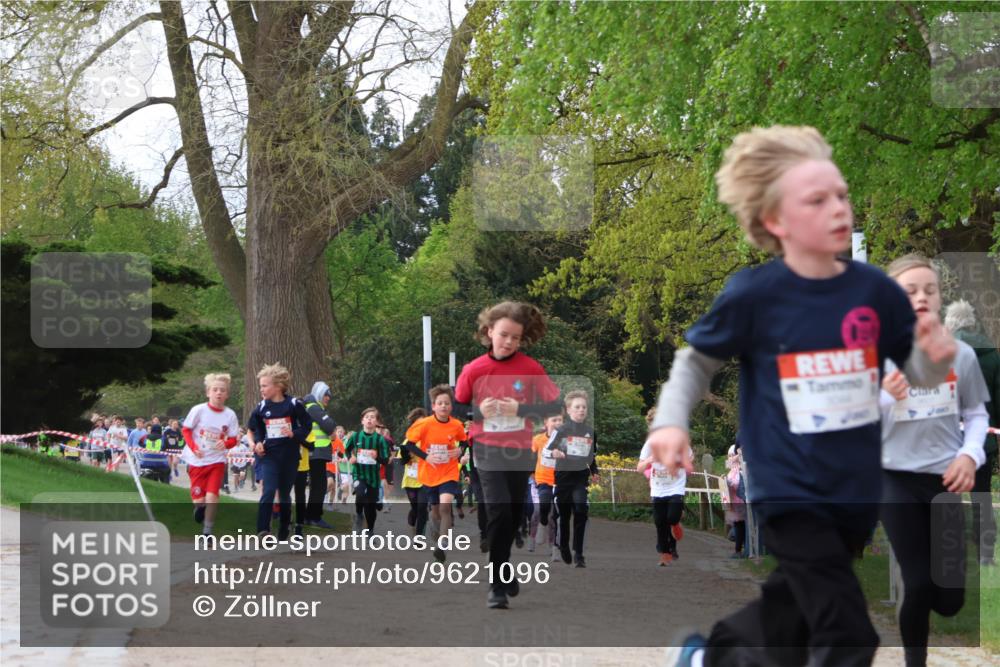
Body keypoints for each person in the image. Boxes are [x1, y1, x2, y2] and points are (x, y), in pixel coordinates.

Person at [649, 126, 957, 667]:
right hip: (790, 489)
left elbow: (909, 365)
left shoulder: (875, 292)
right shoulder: (756, 294)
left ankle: (706, 658)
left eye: (841, 194)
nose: (838, 207)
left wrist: (929, 354)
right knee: (848, 636)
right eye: (817, 200)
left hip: (856, 490)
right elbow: (695, 363)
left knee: (793, 606)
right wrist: (671, 423)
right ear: (776, 221)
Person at [879, 255, 989, 667]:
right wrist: (887, 393)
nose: (921, 297)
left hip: (944, 479)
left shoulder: (961, 356)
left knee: (949, 599)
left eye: (930, 289)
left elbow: (977, 417)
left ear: (941, 297)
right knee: (919, 581)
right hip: (893, 478)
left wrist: (968, 454)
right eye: (909, 291)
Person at [454, 301, 563, 609]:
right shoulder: (474, 370)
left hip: (519, 450)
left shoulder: (531, 369)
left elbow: (554, 407)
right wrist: (477, 411)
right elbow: (458, 405)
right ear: (489, 332)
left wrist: (522, 409)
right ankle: (497, 584)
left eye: (515, 337)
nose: (509, 342)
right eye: (503, 335)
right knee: (500, 511)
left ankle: (504, 569)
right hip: (487, 448)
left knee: (514, 516)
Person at [945, 299, 999, 566]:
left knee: (948, 496)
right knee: (982, 497)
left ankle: (951, 552)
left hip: (949, 438)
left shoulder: (944, 351)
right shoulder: (992, 354)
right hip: (985, 438)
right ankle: (986, 554)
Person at [246, 363, 312, 540]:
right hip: (270, 456)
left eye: (265, 385)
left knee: (283, 495)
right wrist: (258, 442)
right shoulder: (261, 407)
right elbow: (255, 428)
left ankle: (284, 528)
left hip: (290, 457)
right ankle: (262, 531)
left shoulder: (293, 404)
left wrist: (294, 433)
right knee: (268, 491)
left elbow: (307, 426)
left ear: (278, 386)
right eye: (260, 386)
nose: (261, 389)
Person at [405, 385, 468, 562]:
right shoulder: (424, 424)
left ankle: (442, 545)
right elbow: (409, 445)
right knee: (435, 511)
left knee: (445, 506)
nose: (443, 406)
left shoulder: (456, 425)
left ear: (451, 406)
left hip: (448, 472)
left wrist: (459, 451)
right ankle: (435, 527)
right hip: (430, 474)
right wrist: (426, 456)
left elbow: (464, 442)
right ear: (433, 406)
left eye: (447, 403)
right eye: (440, 403)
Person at [181, 373, 240, 535]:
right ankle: (200, 509)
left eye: (222, 390)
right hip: (197, 460)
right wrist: (194, 447)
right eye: (215, 390)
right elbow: (186, 430)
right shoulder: (198, 410)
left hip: (217, 461)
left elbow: (234, 439)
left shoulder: (230, 415)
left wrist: (226, 443)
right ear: (208, 392)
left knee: (212, 497)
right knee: (199, 501)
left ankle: (207, 532)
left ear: (227, 394)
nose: (218, 393)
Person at [546, 390, 600, 568]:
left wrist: (594, 471)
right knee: (564, 515)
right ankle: (563, 546)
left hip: (580, 479)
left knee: (581, 511)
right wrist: (554, 452)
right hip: (563, 478)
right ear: (568, 410)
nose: (581, 410)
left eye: (584, 407)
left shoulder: (590, 432)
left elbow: (591, 457)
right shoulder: (561, 430)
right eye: (577, 407)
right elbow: (546, 450)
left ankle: (579, 553)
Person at [637, 414, 689, 567]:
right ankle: (665, 554)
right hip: (658, 488)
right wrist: (648, 461)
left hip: (675, 486)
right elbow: (639, 468)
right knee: (660, 522)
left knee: (672, 517)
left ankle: (676, 523)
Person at [344, 408, 392, 533]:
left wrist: (377, 457)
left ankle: (370, 530)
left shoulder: (380, 439)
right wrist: (351, 458)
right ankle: (359, 515)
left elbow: (386, 460)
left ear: (376, 422)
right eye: (367, 417)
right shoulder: (355, 436)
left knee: (370, 506)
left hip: (374, 477)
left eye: (372, 417)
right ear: (362, 421)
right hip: (358, 473)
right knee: (360, 493)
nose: (369, 419)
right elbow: (347, 450)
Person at [302, 381, 337, 528]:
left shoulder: (315, 408)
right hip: (316, 452)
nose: (329, 397)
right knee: (319, 486)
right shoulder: (314, 408)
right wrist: (332, 430)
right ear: (319, 394)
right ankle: (314, 517)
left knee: (318, 486)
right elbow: (330, 426)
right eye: (326, 394)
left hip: (317, 452)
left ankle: (311, 516)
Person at [532, 413, 562, 561]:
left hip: (560, 481)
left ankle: (556, 548)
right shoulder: (538, 440)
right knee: (544, 505)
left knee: (557, 516)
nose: (557, 423)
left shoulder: (565, 441)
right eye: (554, 420)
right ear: (546, 423)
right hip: (543, 479)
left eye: (560, 420)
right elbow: (529, 458)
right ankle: (542, 523)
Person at [399, 407, 429, 537]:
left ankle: (419, 536)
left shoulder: (430, 440)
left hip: (425, 480)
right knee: (416, 508)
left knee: (422, 507)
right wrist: (408, 456)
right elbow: (401, 461)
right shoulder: (408, 441)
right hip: (411, 480)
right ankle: (412, 528)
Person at [724, 444, 746, 559]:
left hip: (741, 502)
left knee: (741, 525)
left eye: (732, 455)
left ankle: (741, 550)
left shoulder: (742, 470)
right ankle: (738, 550)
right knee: (737, 525)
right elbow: (728, 464)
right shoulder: (732, 470)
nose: (731, 458)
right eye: (729, 456)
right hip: (734, 503)